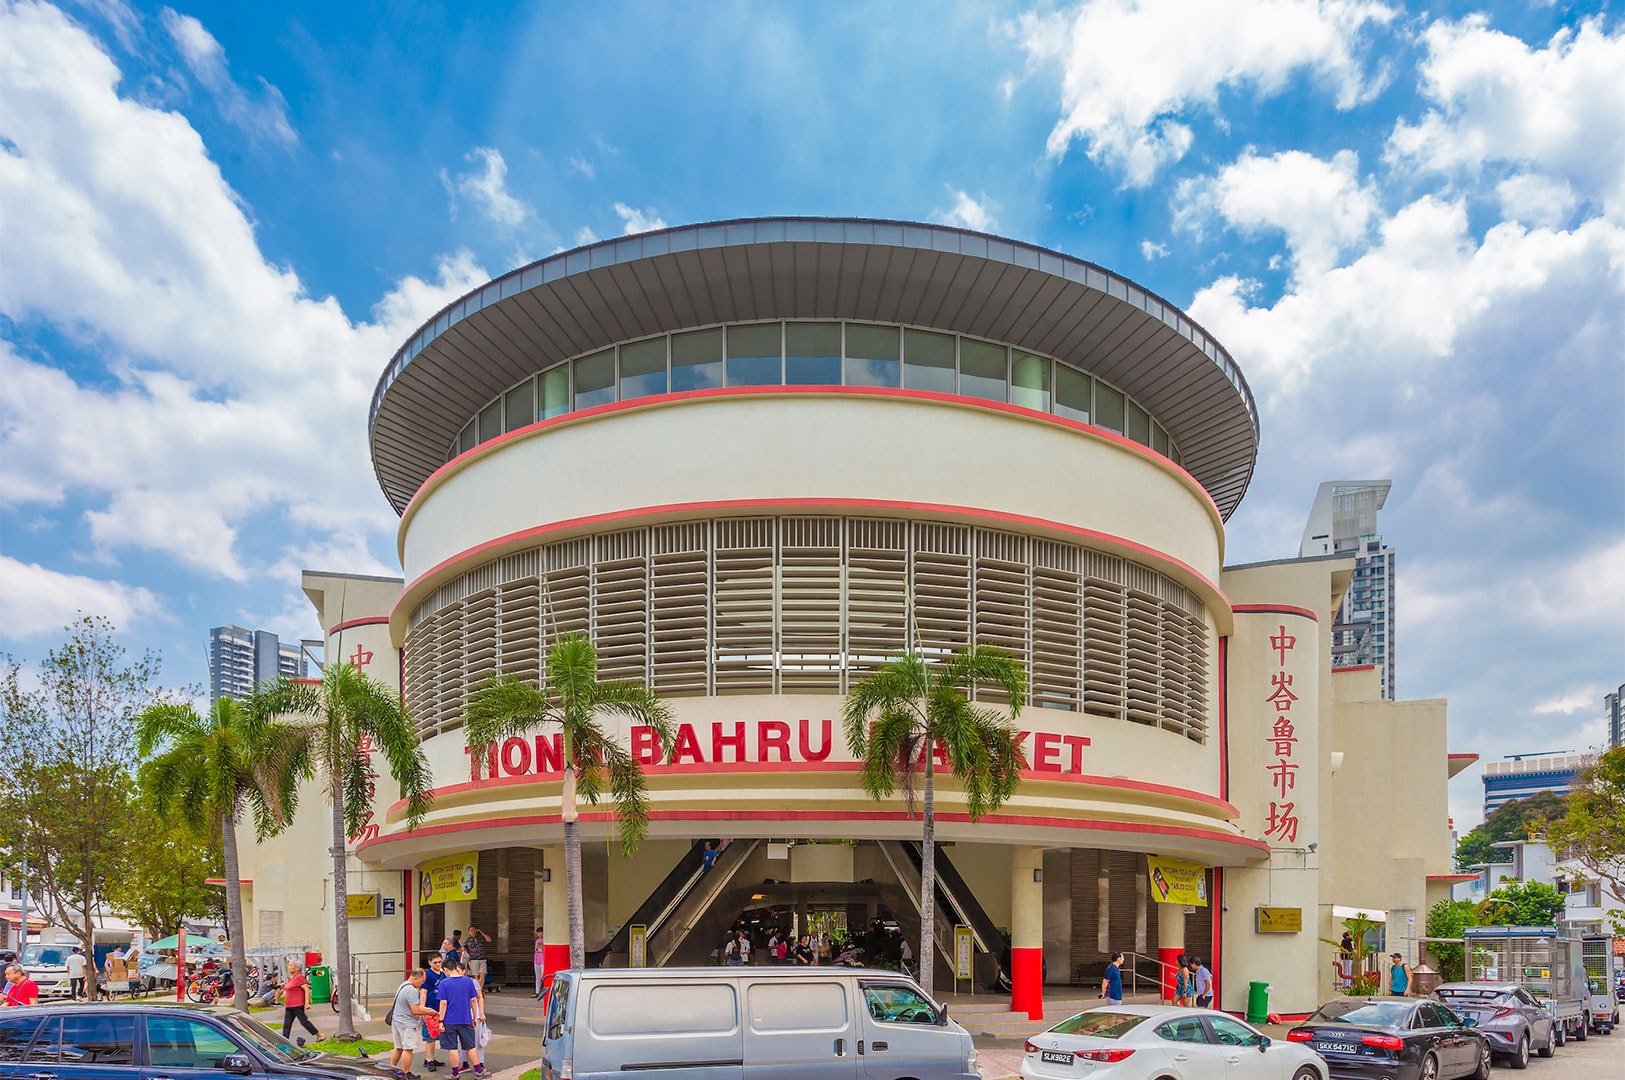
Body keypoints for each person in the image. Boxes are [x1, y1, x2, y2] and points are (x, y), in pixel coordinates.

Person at [436, 958, 485, 1078]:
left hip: (449, 1020)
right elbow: (474, 1000)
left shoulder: (444, 983)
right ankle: (478, 1070)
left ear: (446, 969)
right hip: (466, 1018)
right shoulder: (468, 981)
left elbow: (443, 1003)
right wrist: (475, 1016)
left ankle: (455, 1074)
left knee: (452, 1048)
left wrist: (441, 1020)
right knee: (470, 1046)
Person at [389, 968, 430, 1080]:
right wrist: (429, 1011)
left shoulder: (403, 985)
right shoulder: (411, 991)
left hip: (397, 1021)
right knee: (408, 1049)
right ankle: (406, 1073)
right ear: (416, 978)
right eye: (422, 980)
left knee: (398, 1047)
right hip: (407, 1024)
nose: (422, 983)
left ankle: (392, 1069)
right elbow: (415, 1010)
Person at [282, 962, 322, 1042]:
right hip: (289, 1005)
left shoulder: (299, 977)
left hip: (297, 1005)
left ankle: (319, 1035)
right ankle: (284, 1041)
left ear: (297, 968)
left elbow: (306, 989)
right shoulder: (291, 978)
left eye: (291, 965)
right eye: (288, 965)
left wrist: (306, 1003)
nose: (288, 967)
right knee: (287, 1024)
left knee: (304, 1022)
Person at [420, 954, 446, 1072]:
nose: (438, 964)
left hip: (440, 1009)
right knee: (430, 1037)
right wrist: (422, 1009)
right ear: (430, 962)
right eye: (435, 962)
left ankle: (429, 1058)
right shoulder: (427, 975)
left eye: (439, 962)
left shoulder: (443, 974)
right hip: (430, 1009)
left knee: (435, 1035)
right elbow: (423, 992)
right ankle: (430, 1060)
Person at [462, 926, 490, 990]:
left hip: (482, 959)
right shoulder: (468, 940)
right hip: (473, 959)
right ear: (469, 932)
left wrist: (481, 932)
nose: (473, 932)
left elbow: (489, 939)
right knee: (476, 976)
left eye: (474, 930)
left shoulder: (481, 938)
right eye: (471, 930)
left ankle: (479, 989)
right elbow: (463, 948)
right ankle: (478, 990)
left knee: (483, 974)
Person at [532, 928, 547, 999]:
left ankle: (544, 990)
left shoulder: (546, 941)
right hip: (537, 959)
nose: (539, 934)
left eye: (540, 932)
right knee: (537, 976)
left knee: (542, 975)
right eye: (538, 933)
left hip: (543, 960)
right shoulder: (537, 941)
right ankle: (537, 991)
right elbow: (536, 949)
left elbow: (543, 949)